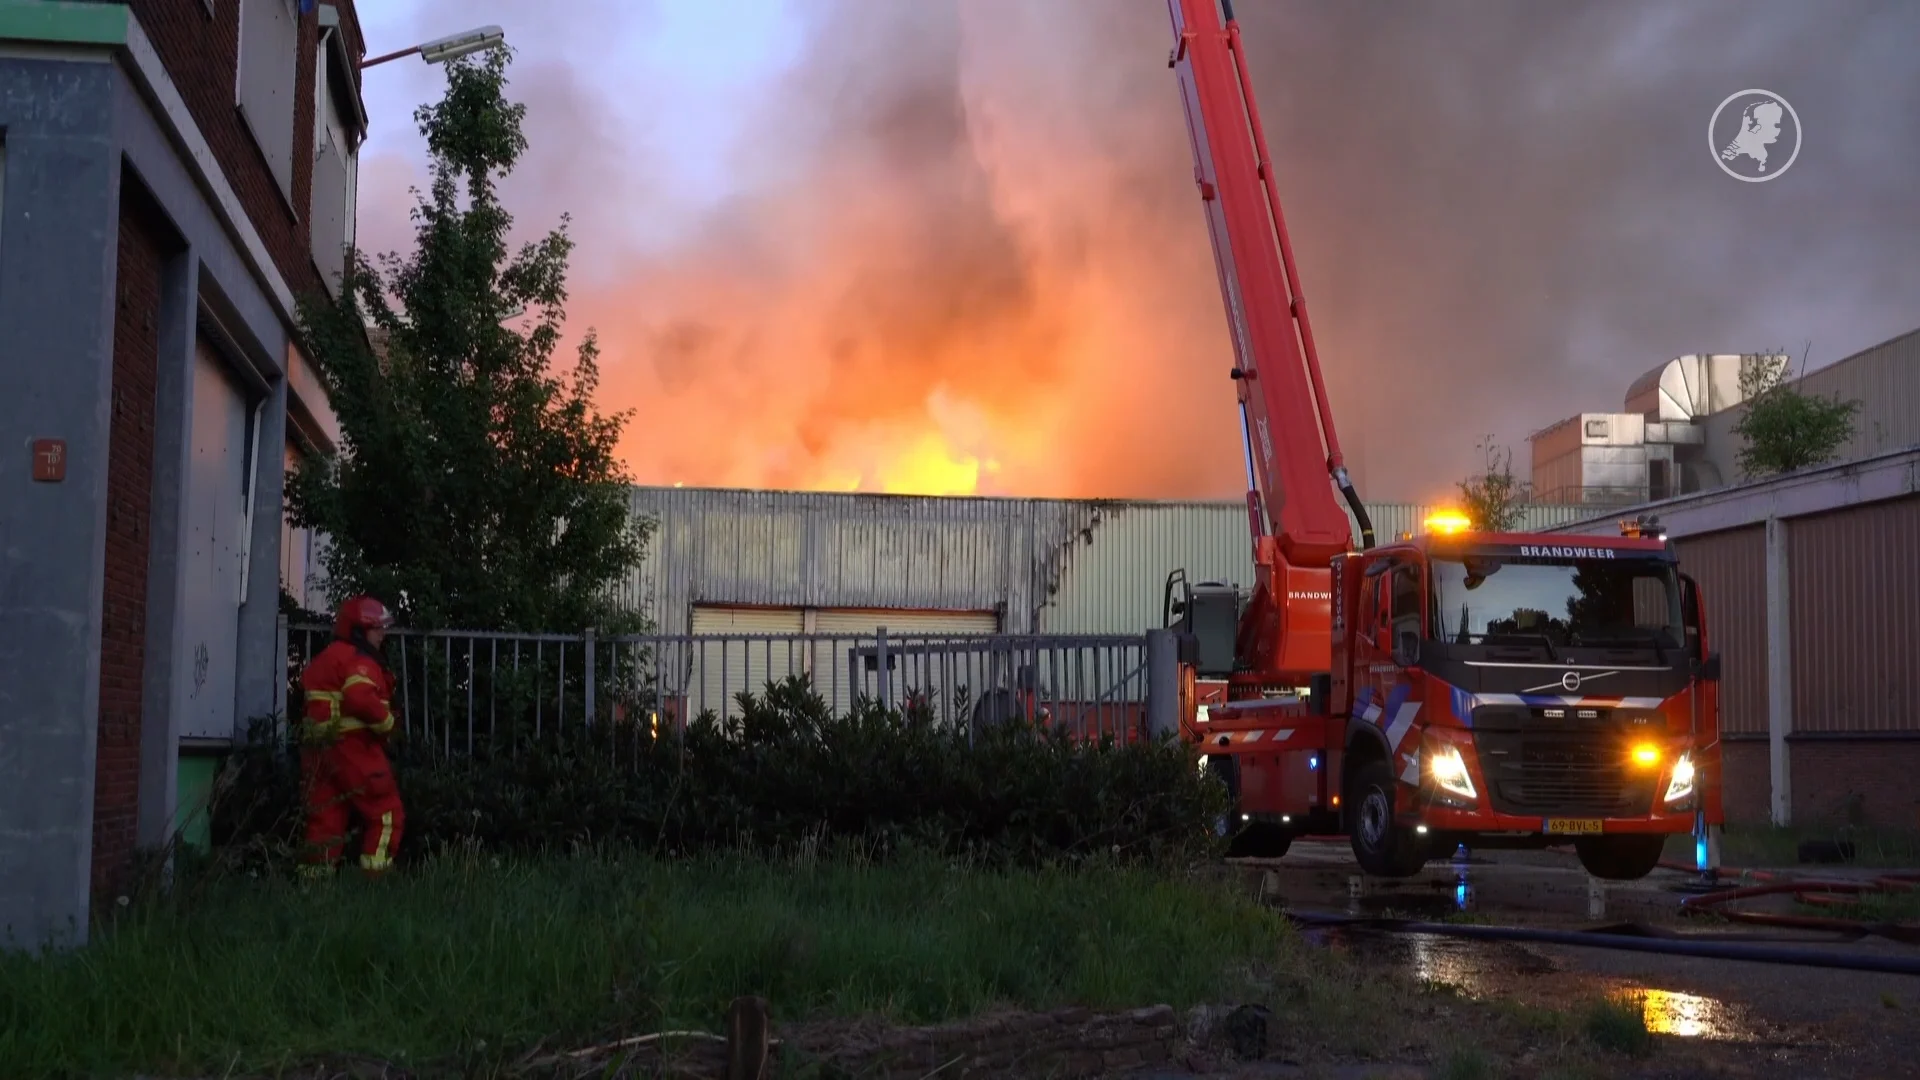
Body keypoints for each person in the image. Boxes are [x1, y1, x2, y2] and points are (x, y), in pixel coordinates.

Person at [297, 595, 404, 879]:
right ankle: (376, 880)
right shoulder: (357, 660)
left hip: (318, 752)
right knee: (386, 812)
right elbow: (360, 698)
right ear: (359, 630)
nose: (383, 634)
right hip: (354, 748)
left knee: (325, 821)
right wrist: (387, 724)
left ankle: (313, 888)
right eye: (376, 628)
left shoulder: (325, 659)